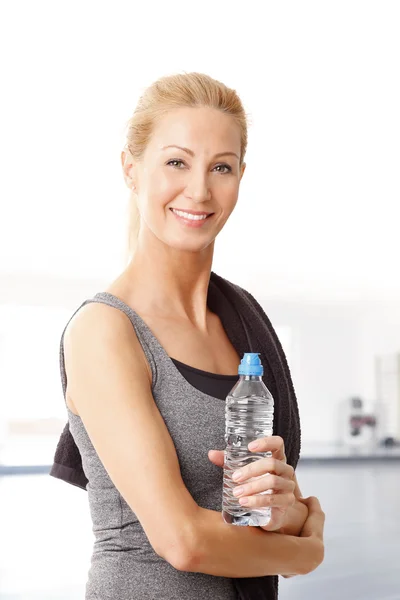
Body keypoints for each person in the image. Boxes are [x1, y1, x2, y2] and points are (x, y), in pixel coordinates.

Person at [59, 71, 325, 599]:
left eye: (221, 167)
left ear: (241, 176)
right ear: (131, 170)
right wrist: (309, 552)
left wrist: (287, 513)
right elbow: (183, 542)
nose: (200, 190)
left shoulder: (244, 322)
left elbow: (262, 505)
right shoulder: (106, 332)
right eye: (177, 162)